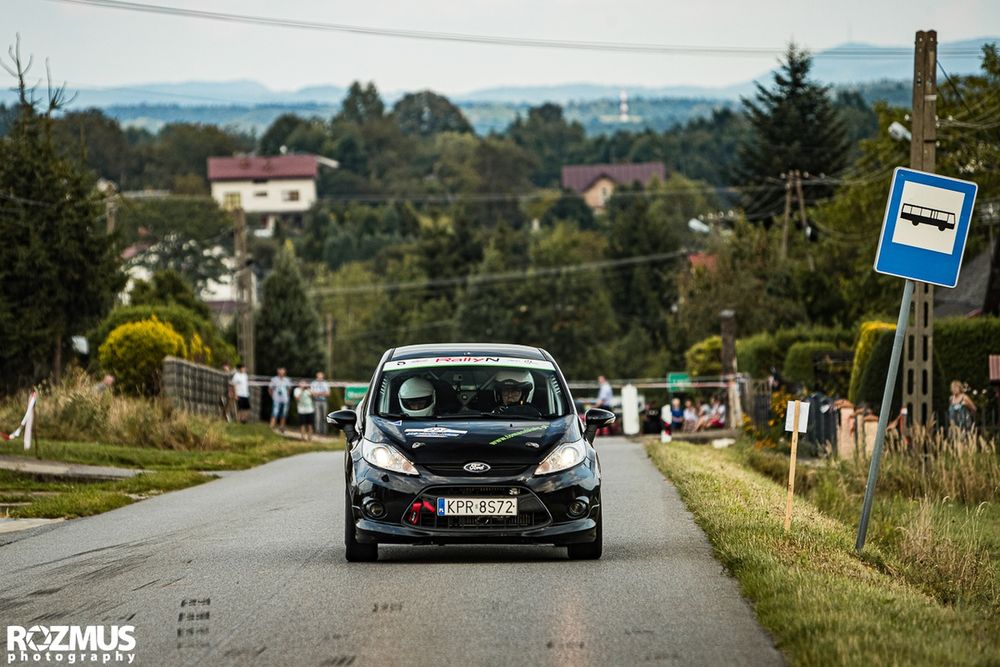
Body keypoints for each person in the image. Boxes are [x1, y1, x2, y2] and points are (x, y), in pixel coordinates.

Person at [269, 367, 292, 432]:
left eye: (283, 372)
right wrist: (273, 397)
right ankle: (272, 426)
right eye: (280, 372)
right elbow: (270, 389)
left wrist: (287, 396)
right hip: (276, 400)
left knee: (284, 414)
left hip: (285, 400)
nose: (282, 373)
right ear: (278, 372)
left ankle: (282, 427)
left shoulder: (287, 380)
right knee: (274, 413)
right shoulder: (274, 379)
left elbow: (289, 389)